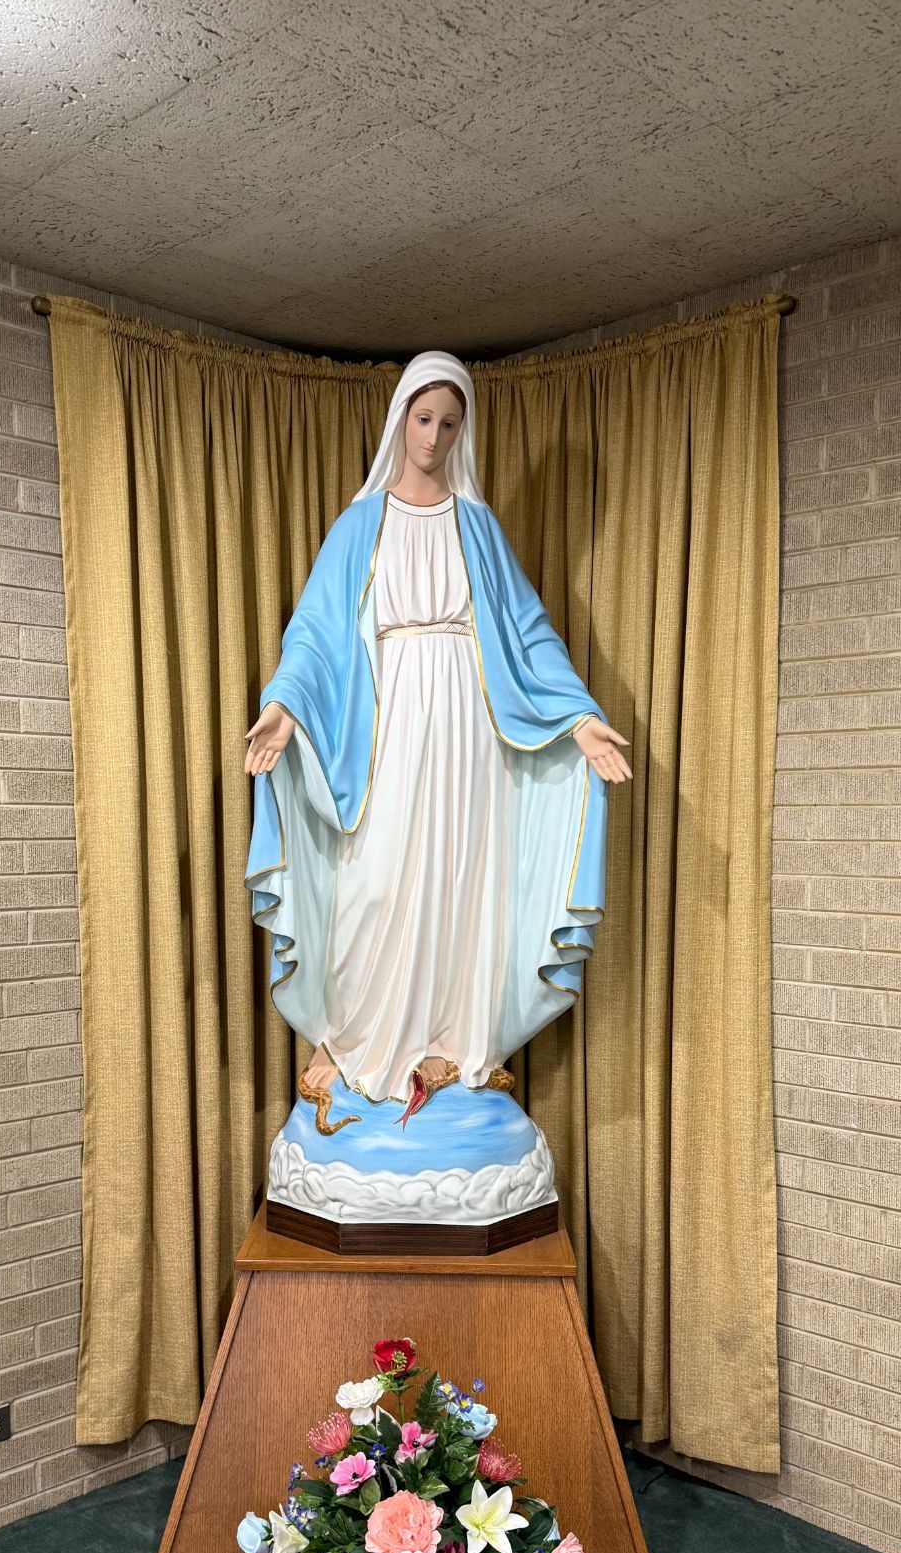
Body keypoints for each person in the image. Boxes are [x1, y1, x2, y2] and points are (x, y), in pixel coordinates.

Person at [244, 350, 629, 1126]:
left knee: (461, 878)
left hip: (468, 729)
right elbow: (315, 632)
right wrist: (284, 705)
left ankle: (451, 1041)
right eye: (423, 419)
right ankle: (352, 1040)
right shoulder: (361, 524)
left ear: (463, 430)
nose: (433, 437)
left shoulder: (477, 527)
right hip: (391, 720)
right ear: (400, 419)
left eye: (450, 423)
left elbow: (527, 631)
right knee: (377, 877)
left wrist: (580, 718)